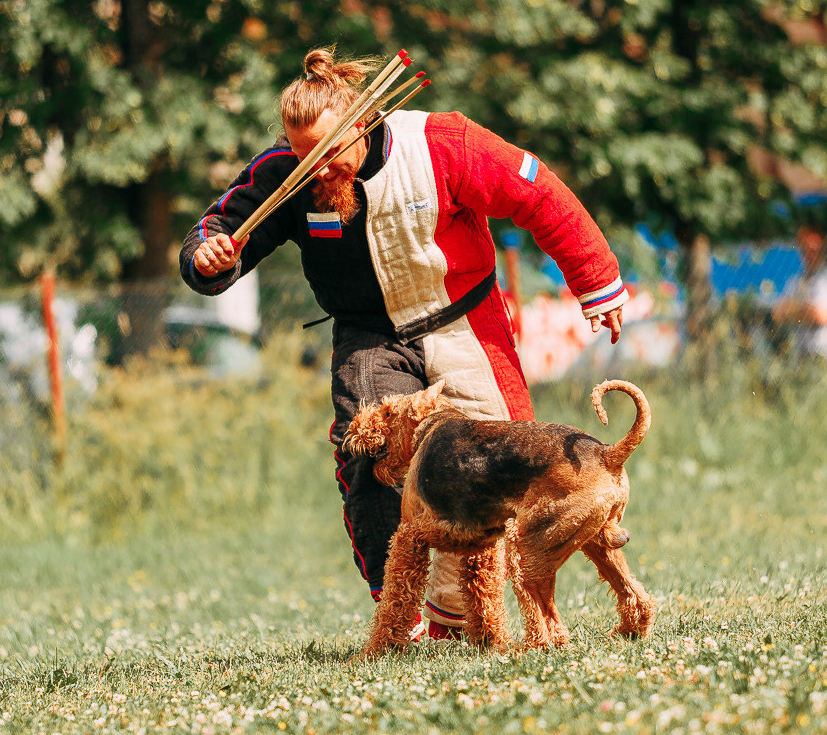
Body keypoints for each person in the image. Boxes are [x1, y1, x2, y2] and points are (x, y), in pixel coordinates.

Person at [179, 48, 627, 640]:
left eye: (327, 152)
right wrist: (207, 257)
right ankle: (404, 616)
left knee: (503, 466)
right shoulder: (282, 176)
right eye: (302, 155)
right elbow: (218, 235)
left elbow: (536, 192)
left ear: (362, 123)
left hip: (463, 318)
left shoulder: (444, 144)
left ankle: (464, 614)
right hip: (370, 335)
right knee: (367, 452)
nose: (315, 170)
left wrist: (595, 280)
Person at [772, 226, 827, 365]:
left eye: (815, 250)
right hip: (802, 359)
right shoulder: (796, 281)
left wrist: (794, 310)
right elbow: (777, 314)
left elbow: (823, 317)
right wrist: (805, 311)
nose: (810, 254)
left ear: (823, 250)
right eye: (805, 249)